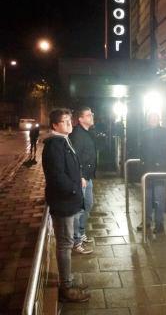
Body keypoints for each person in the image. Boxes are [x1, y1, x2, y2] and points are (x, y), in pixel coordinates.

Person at [42, 108, 90, 303]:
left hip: (68, 200)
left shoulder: (63, 140)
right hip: (63, 202)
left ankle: (68, 280)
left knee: (67, 243)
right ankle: (66, 288)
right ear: (55, 125)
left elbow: (69, 169)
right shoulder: (55, 145)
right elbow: (56, 176)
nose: (70, 124)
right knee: (65, 244)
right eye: (65, 121)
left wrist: (77, 180)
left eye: (70, 120)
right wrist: (73, 189)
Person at [137, 112, 166, 234]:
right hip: (146, 170)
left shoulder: (165, 132)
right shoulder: (144, 132)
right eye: (151, 117)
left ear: (159, 119)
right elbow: (141, 149)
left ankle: (159, 223)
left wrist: (161, 164)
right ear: (148, 120)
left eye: (155, 117)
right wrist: (142, 163)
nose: (153, 119)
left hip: (159, 171)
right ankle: (146, 221)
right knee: (147, 197)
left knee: (159, 198)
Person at [70, 107, 96, 254]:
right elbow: (75, 157)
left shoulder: (87, 132)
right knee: (79, 209)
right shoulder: (78, 135)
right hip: (82, 179)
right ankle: (76, 241)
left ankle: (81, 232)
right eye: (88, 115)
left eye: (91, 114)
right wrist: (80, 176)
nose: (91, 116)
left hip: (88, 177)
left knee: (88, 204)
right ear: (80, 119)